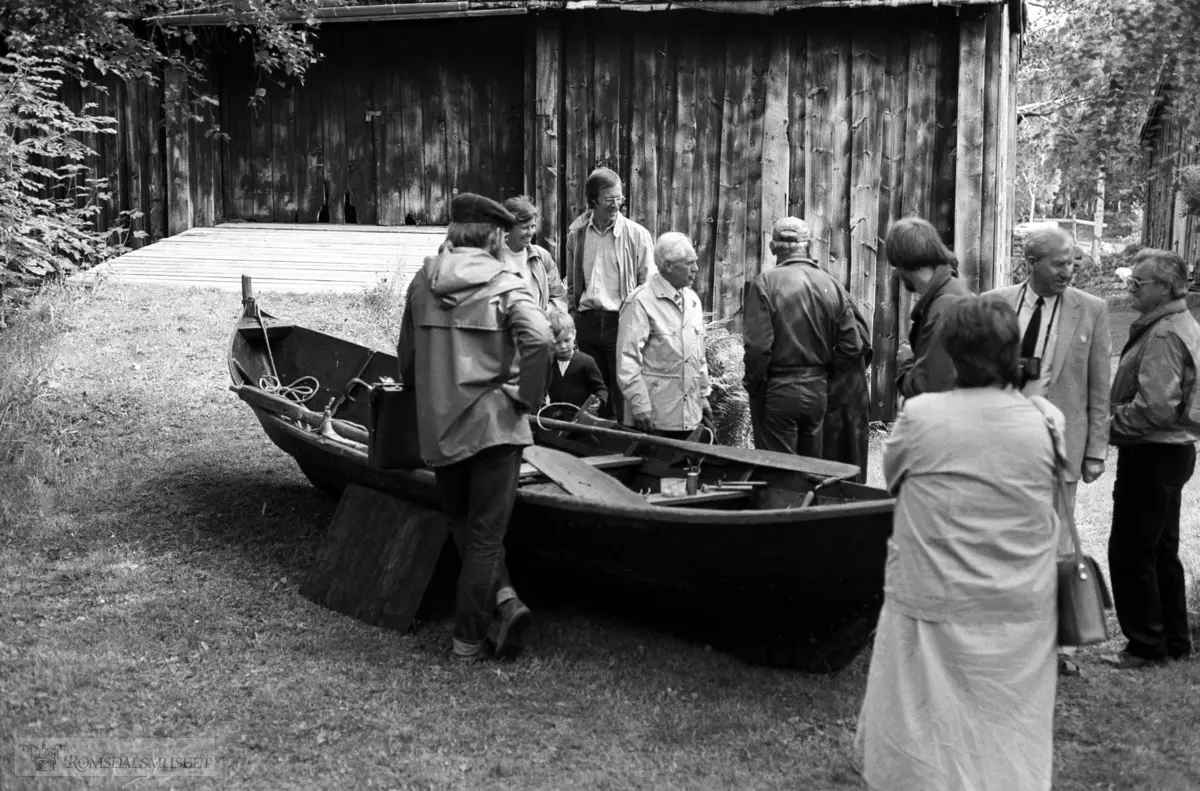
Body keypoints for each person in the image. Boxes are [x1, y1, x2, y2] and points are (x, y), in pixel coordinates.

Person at [855, 295, 1060, 791]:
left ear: (951, 351)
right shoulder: (1046, 420)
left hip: (933, 596)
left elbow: (896, 477)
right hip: (1018, 602)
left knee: (921, 730)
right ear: (1013, 351)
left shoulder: (921, 416)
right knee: (1009, 726)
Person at [396, 193, 553, 663]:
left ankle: (503, 602)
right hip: (497, 428)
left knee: (462, 522)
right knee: (485, 536)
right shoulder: (506, 282)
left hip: (442, 426)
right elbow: (540, 337)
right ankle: (468, 640)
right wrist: (527, 397)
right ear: (492, 236)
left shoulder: (422, 284)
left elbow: (407, 358)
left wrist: (421, 394)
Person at [985, 224, 1112, 677]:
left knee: (1056, 542)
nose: (1068, 270)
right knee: (1000, 537)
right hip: (999, 444)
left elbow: (1100, 385)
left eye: (1072, 261)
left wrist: (1095, 449)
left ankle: (1059, 647)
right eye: (1059, 262)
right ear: (1030, 262)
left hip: (1060, 447)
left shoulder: (1092, 310)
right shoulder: (994, 303)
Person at [1106, 248, 1200, 669]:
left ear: (1164, 289)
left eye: (1138, 284)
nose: (1131, 290)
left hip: (1154, 451)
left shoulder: (1163, 333)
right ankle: (1174, 641)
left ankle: (1146, 646)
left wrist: (1105, 427)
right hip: (1172, 450)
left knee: (1132, 551)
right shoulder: (1179, 321)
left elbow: (1155, 407)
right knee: (1160, 550)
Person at [742, 217, 862, 457]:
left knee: (778, 472)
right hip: (816, 391)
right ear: (809, 247)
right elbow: (852, 346)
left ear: (773, 247)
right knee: (811, 469)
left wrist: (754, 386)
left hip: (777, 390)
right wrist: (824, 375)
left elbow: (758, 348)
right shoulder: (832, 285)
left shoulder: (765, 284)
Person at [564, 167, 656, 421]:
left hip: (621, 323)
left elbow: (648, 286)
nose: (616, 204)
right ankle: (599, 449)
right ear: (592, 201)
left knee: (624, 392)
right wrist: (574, 314)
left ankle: (628, 448)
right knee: (596, 393)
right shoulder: (577, 235)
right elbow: (572, 284)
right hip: (588, 323)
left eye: (619, 198)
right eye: (609, 199)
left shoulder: (637, 235)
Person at [616, 232, 712, 439]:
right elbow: (628, 359)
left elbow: (699, 356)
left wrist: (703, 395)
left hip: (689, 415)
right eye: (689, 263)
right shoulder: (640, 301)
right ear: (668, 266)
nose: (696, 269)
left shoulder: (693, 300)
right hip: (654, 417)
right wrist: (639, 404)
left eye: (695, 262)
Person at [886, 216, 972, 398]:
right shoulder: (951, 291)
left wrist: (906, 362)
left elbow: (931, 390)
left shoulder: (945, 306)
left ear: (901, 264)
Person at [821, 296, 873, 481]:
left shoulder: (828, 297)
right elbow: (865, 344)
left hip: (839, 388)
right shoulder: (840, 296)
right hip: (853, 388)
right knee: (851, 459)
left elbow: (857, 345)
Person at [501, 195, 568, 315]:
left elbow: (558, 297)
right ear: (509, 227)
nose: (530, 232)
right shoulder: (494, 256)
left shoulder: (541, 256)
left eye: (533, 226)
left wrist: (545, 319)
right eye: (525, 228)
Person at [546, 310, 607, 413]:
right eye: (557, 343)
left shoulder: (586, 362)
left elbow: (600, 389)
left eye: (566, 340)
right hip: (554, 420)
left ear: (574, 334)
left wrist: (599, 401)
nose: (563, 346)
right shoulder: (548, 364)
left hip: (581, 418)